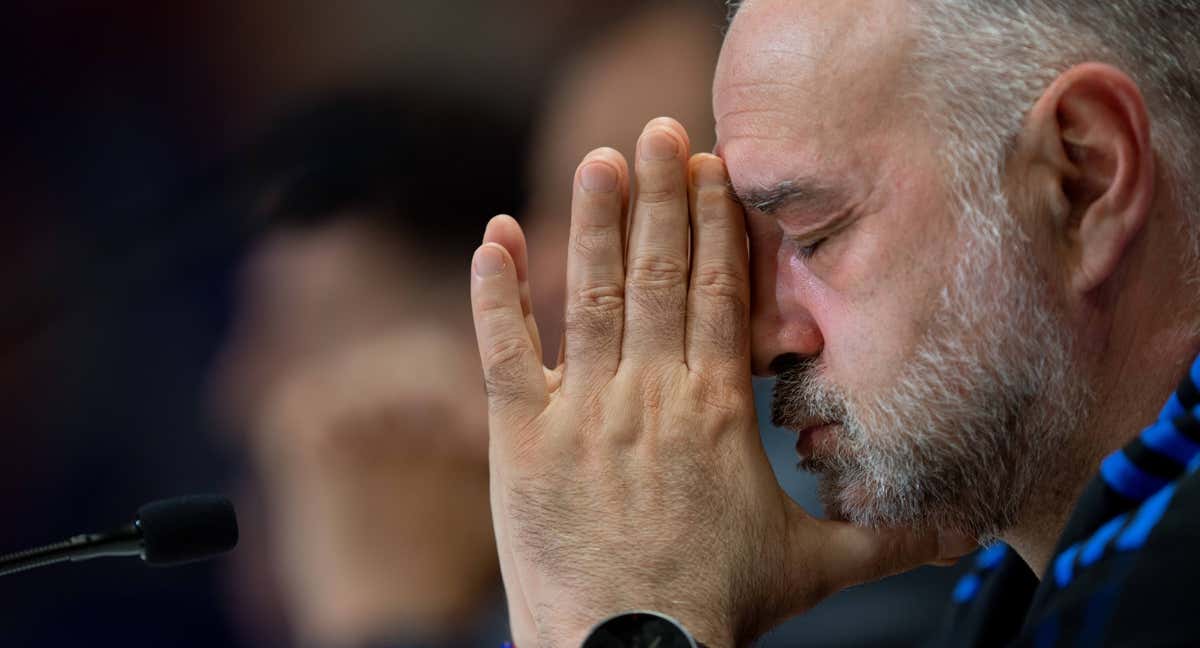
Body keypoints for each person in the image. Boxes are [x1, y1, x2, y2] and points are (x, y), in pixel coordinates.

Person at [467, 1, 1200, 646]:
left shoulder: (1169, 586)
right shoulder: (1037, 585)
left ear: (1083, 179)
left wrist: (630, 619)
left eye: (814, 235)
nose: (759, 345)